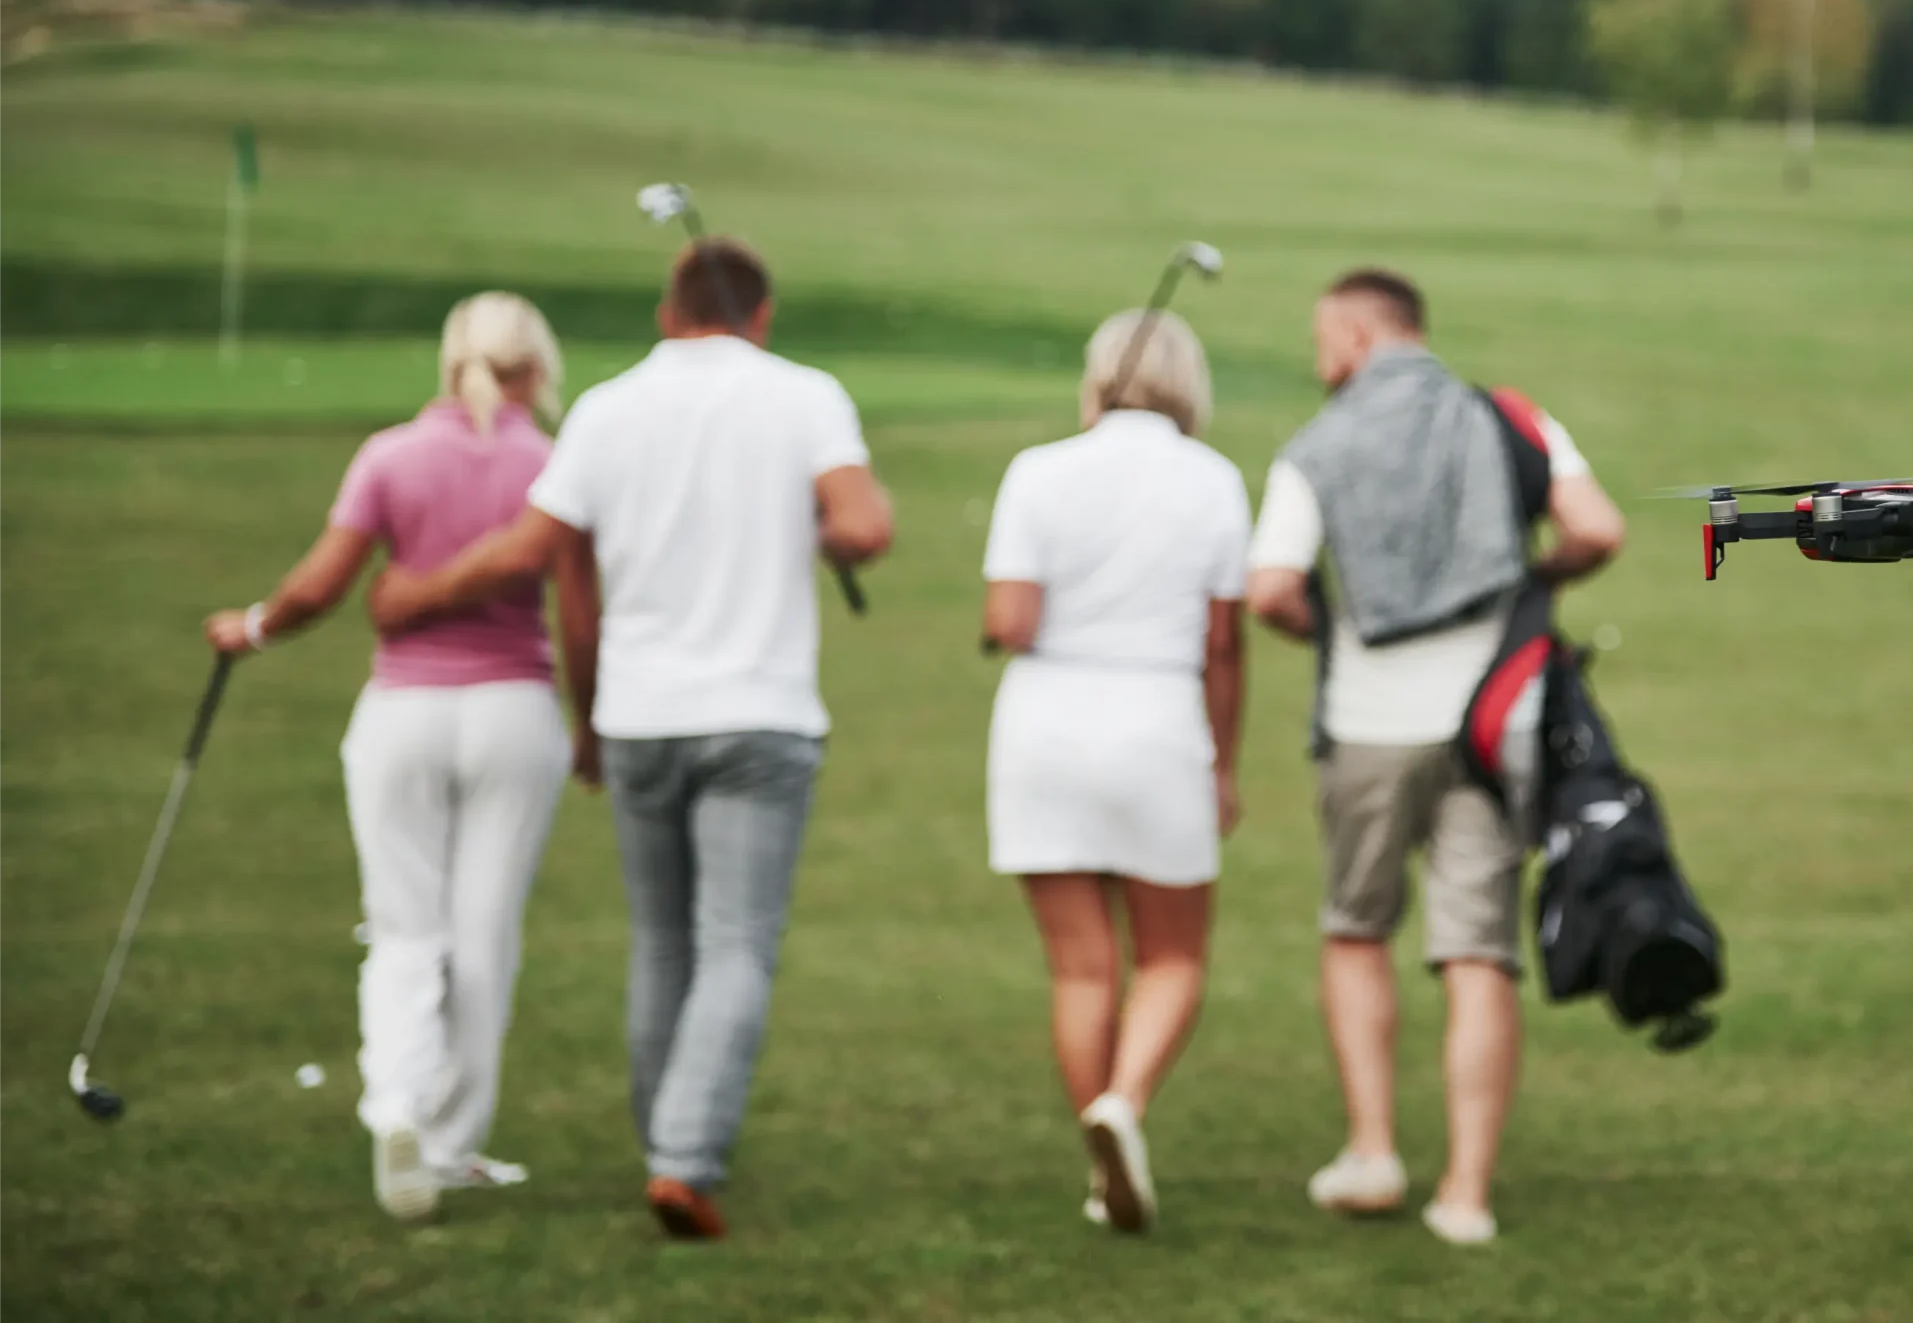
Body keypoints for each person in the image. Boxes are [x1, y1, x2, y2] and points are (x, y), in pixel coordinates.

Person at [369, 238, 894, 1243]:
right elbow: (865, 525)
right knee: (735, 942)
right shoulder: (804, 395)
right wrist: (816, 529)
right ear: (763, 313)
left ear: (667, 311)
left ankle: (669, 1140)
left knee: (663, 942)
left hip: (639, 712)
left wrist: (414, 596)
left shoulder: (607, 408)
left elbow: (534, 550)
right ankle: (684, 1158)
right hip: (759, 711)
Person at [1244, 268, 1625, 1248]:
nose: (1320, 359)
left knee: (1356, 927)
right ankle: (1465, 1191)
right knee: (1476, 950)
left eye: (1325, 338)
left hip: (1367, 724)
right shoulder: (1509, 418)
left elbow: (1271, 589)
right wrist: (1532, 582)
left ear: (1363, 335)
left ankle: (1372, 1149)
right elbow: (1596, 527)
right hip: (1493, 724)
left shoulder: (1315, 445)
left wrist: (1333, 626)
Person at [203, 293, 580, 1225]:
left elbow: (320, 587)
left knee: (406, 926)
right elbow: (581, 612)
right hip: (514, 713)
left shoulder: (392, 454)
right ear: (538, 368)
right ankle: (448, 1147)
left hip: (404, 714)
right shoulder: (556, 463)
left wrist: (248, 629)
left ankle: (396, 1107)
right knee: (485, 936)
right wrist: (598, 721)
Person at [980, 309, 1250, 1234]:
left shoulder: (1037, 472)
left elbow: (1011, 620)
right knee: (1171, 955)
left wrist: (994, 627)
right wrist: (1224, 764)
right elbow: (1223, 645)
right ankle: (1123, 1106)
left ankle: (1104, 1160)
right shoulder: (1214, 482)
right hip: (1157, 721)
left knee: (1080, 968)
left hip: (1044, 725)